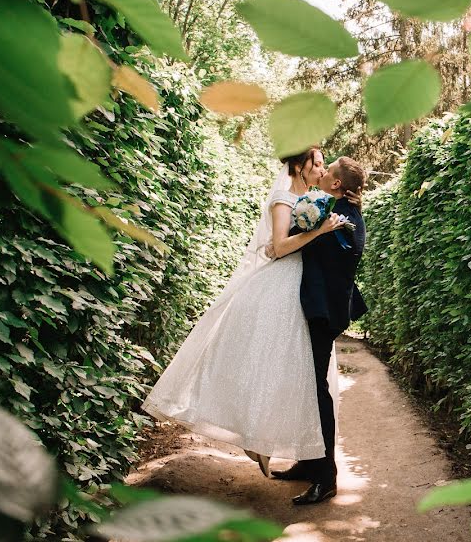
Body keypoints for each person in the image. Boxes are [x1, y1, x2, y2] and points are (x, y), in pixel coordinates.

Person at [141, 147, 355, 476]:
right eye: (318, 164)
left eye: (325, 166)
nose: (322, 170)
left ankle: (280, 447)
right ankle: (254, 438)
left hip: (304, 289)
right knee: (264, 364)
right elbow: (280, 246)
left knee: (290, 374)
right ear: (300, 167)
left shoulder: (316, 198)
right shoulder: (283, 198)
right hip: (281, 286)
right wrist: (317, 232)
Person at [269, 157, 368, 505]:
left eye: (328, 172)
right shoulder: (338, 209)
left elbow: (305, 247)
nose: (322, 174)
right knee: (307, 384)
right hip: (320, 307)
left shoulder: (339, 217)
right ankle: (311, 464)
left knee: (316, 390)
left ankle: (326, 477)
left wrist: (284, 241)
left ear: (337, 184)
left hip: (323, 311)